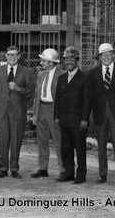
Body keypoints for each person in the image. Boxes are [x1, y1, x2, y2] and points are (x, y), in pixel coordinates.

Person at [88, 43, 115, 187]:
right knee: (101, 145)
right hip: (100, 113)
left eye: (108, 54)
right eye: (102, 55)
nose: (106, 57)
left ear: (113, 55)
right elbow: (91, 94)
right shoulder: (93, 72)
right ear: (99, 57)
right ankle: (102, 174)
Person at [0, 46, 33, 179]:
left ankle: (14, 169)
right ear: (5, 55)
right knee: (2, 141)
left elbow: (30, 92)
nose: (12, 57)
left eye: (15, 55)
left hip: (17, 112)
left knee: (16, 141)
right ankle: (3, 169)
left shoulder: (26, 71)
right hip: (1, 112)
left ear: (19, 56)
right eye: (10, 55)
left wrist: (18, 88)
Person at [54, 46, 92, 184]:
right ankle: (68, 173)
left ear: (77, 60)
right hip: (64, 120)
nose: (69, 62)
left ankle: (81, 175)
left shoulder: (84, 78)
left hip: (78, 122)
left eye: (72, 59)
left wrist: (84, 120)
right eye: (66, 59)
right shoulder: (62, 78)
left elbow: (87, 101)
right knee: (66, 149)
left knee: (80, 149)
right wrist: (56, 117)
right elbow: (57, 99)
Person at [31, 48, 65, 179]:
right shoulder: (41, 74)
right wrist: (35, 114)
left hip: (54, 110)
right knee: (42, 141)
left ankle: (63, 169)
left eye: (44, 61)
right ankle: (43, 168)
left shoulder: (62, 75)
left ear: (51, 62)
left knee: (59, 141)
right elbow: (36, 95)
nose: (41, 63)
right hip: (42, 110)